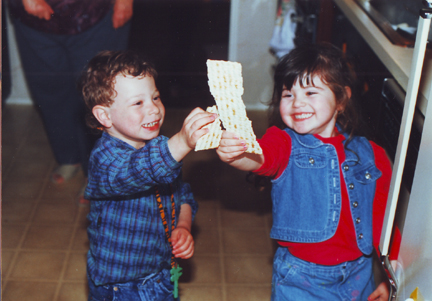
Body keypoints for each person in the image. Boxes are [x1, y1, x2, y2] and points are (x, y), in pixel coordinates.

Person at [216, 43, 399, 301]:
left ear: (342, 100)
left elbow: (385, 223)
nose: (297, 103)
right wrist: (237, 153)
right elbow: (260, 156)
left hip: (360, 275)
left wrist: (392, 278)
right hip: (302, 280)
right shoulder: (284, 143)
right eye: (288, 94)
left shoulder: (373, 155)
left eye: (311, 92)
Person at [80, 50, 216, 300]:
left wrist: (183, 226)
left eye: (155, 97)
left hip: (161, 270)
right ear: (104, 116)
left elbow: (181, 194)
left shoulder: (161, 148)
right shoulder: (104, 159)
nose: (154, 109)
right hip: (122, 284)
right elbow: (135, 170)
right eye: (138, 103)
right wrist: (182, 142)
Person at [7, 0, 133, 196]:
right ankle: (68, 157)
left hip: (95, 14)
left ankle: (98, 172)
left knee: (99, 96)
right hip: (33, 18)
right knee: (50, 90)